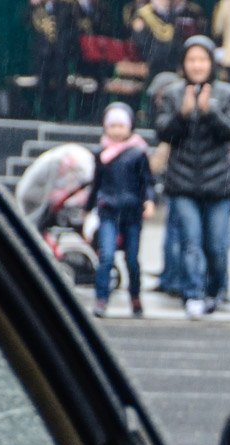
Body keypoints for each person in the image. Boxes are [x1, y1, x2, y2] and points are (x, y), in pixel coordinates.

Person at [153, 35, 230, 319]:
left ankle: (214, 291)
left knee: (216, 247)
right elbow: (162, 131)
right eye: (191, 60)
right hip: (182, 183)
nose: (197, 65)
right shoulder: (172, 94)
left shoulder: (227, 94)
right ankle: (192, 293)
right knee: (190, 242)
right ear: (184, 64)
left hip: (218, 184)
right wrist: (182, 114)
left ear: (211, 63)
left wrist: (209, 111)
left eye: (202, 59)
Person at [85, 102, 155, 318]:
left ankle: (135, 295)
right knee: (106, 256)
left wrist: (149, 201)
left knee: (132, 259)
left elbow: (147, 182)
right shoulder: (101, 154)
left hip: (132, 213)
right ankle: (101, 298)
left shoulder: (138, 153)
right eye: (112, 126)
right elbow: (96, 183)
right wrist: (88, 208)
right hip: (108, 210)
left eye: (121, 126)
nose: (116, 131)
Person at [130, 0, 204, 79]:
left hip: (178, 71)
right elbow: (147, 50)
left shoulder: (179, 13)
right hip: (152, 72)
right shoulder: (143, 16)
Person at [30, 0, 77, 121]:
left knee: (61, 84)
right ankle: (44, 113)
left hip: (59, 53)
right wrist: (32, 7)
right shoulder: (35, 8)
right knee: (42, 84)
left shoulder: (64, 7)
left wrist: (64, 46)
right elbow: (25, 21)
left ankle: (61, 114)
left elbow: (70, 27)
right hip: (42, 53)